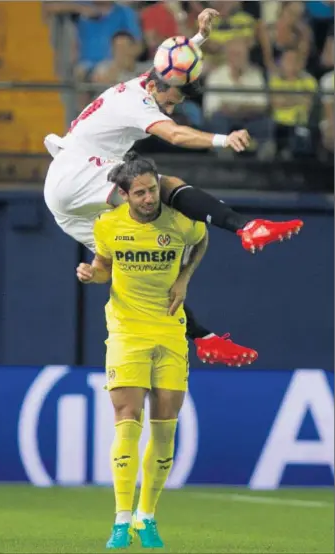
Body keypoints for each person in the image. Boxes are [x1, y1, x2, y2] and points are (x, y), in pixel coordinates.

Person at [44, 7, 303, 364]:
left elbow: (168, 64)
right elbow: (175, 135)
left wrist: (199, 38)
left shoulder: (151, 80)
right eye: (167, 102)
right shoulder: (136, 100)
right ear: (154, 88)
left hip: (64, 199)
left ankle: (204, 339)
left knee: (146, 267)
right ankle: (247, 227)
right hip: (76, 171)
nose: (166, 110)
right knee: (161, 186)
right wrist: (222, 139)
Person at [75, 153, 221, 548]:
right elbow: (105, 265)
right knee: (127, 416)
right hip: (126, 331)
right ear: (123, 194)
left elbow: (203, 238)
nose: (148, 199)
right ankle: (122, 520)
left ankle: (147, 516)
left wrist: (185, 279)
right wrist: (93, 274)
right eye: (139, 192)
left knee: (166, 422)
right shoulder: (108, 224)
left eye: (152, 189)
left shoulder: (178, 221)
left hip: (170, 330)